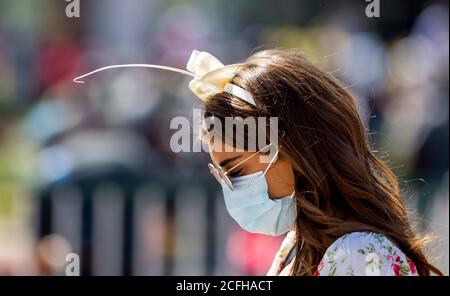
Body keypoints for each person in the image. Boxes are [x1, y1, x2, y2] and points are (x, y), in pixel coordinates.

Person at [74, 49, 443, 276]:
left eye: (235, 169)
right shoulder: (300, 244)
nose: (230, 188)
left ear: (296, 151)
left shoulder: (358, 255)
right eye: (219, 173)